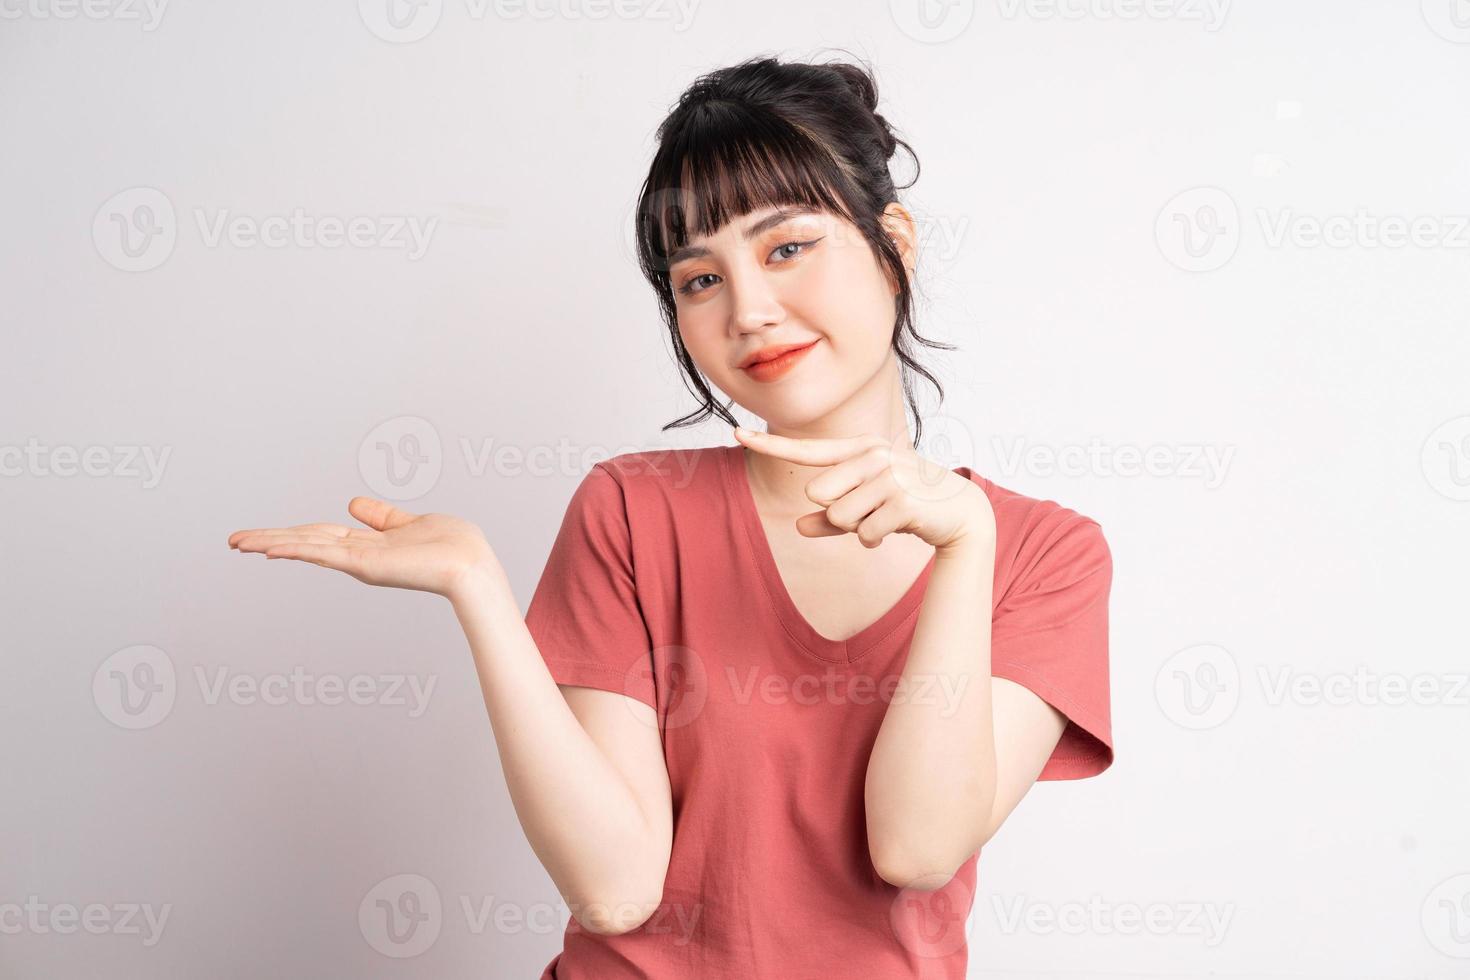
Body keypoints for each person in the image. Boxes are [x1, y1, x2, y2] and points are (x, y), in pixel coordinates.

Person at [227, 53, 1114, 980]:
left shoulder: (1043, 555)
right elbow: (616, 893)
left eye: (786, 247)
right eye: (700, 280)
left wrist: (967, 545)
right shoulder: (632, 509)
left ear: (893, 240)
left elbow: (916, 850)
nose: (751, 311)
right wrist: (479, 593)